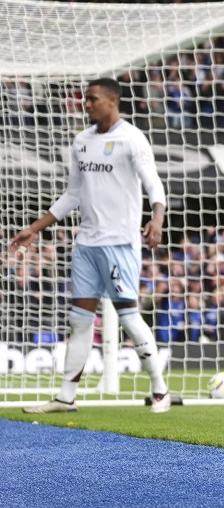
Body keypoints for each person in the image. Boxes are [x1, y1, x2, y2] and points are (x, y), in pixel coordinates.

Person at [9, 78, 171, 413]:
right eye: (85, 99)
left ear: (113, 100)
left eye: (93, 99)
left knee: (127, 316)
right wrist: (34, 229)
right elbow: (73, 194)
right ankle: (66, 397)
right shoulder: (81, 141)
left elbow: (153, 184)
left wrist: (157, 219)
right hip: (87, 245)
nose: (86, 104)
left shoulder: (131, 138)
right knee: (80, 320)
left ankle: (160, 389)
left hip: (120, 244)